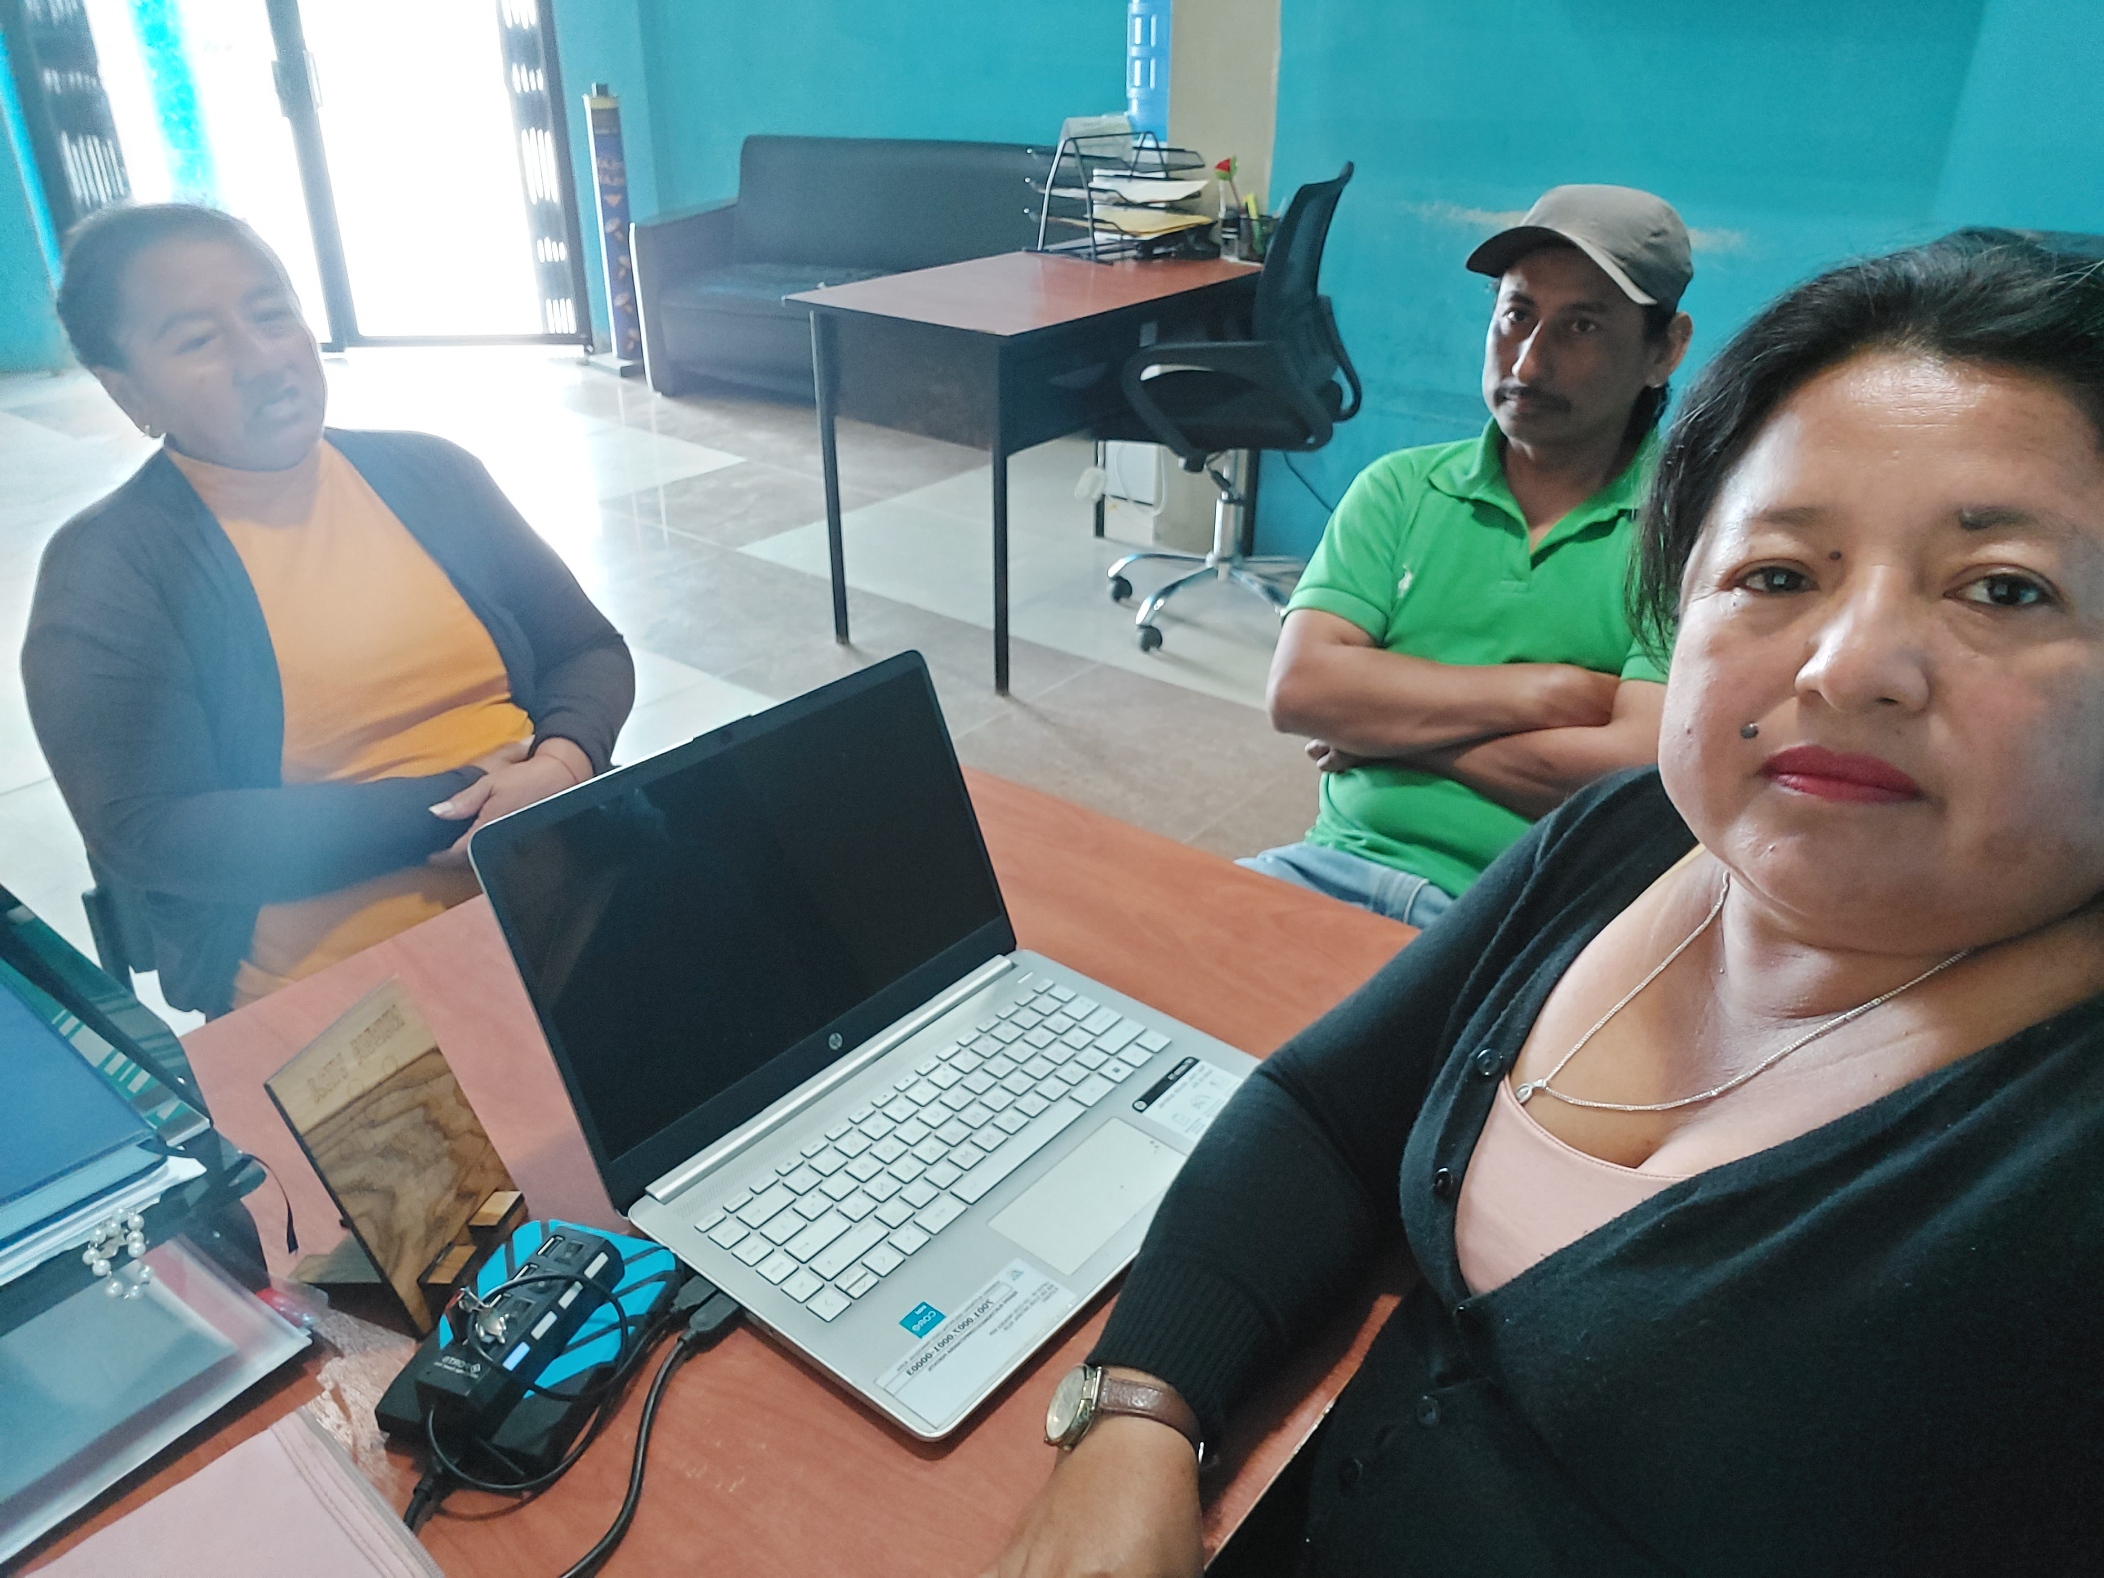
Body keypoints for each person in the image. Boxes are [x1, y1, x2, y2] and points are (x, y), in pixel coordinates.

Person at [987, 233, 2104, 1576]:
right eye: (1778, 573)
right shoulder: (1629, 837)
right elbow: (1326, 1116)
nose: (1847, 663)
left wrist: (1402, 724)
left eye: (2003, 588)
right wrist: (1136, 1413)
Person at [22, 203, 633, 1016]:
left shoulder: (431, 473)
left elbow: (586, 649)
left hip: (580, 901)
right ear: (127, 389)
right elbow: (154, 831)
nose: (261, 358)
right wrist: (457, 803)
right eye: (199, 340)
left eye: (272, 314)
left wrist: (559, 766)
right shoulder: (111, 569)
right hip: (342, 990)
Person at [1245, 185, 1694, 927]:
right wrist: (1545, 693)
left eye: (1582, 326)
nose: (1529, 364)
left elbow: (1639, 780)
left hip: (1521, 924)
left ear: (1664, 350)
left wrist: (1394, 737)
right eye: (1517, 314)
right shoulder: (1399, 489)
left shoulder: (1687, 538)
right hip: (1328, 864)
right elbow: (1300, 692)